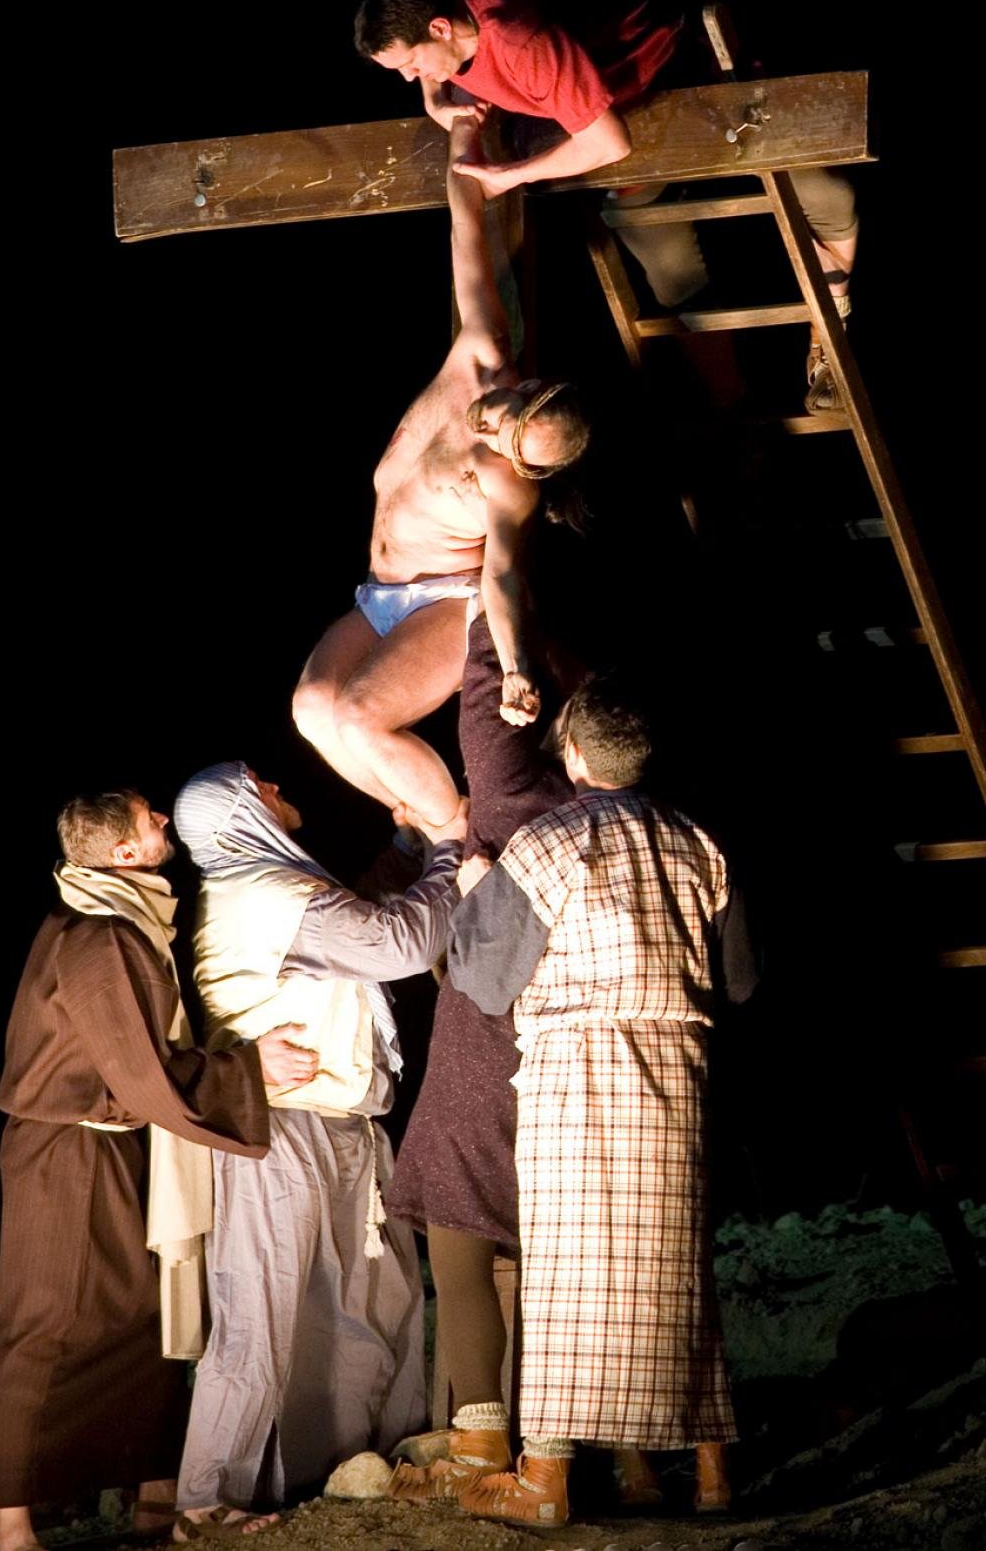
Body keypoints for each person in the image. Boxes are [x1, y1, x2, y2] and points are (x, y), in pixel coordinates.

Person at [435, 678, 757, 1526]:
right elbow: (743, 980)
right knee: (674, 1264)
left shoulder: (548, 843)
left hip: (577, 1068)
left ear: (573, 755)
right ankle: (714, 1471)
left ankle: (543, 1481)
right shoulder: (701, 843)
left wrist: (475, 891)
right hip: (680, 1066)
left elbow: (481, 976)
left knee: (572, 1270)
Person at [0, 790, 310, 1550]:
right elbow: (142, 1072)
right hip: (67, 1153)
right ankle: (12, 1527)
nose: (164, 820)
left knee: (147, 1318)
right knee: (47, 1321)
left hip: (115, 1143)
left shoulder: (124, 919)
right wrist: (251, 1069)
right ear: (125, 854)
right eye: (150, 819)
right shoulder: (101, 936)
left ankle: (160, 1499)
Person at [355, 0, 861, 410]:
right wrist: (434, 98)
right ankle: (734, 404)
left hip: (677, 75)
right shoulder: (443, 1)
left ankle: (829, 321)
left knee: (827, 195)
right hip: (616, 105)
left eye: (411, 66)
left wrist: (508, 175)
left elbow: (607, 144)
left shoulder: (519, 44)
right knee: (665, 261)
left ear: (441, 29)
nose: (410, 76)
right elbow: (422, 25)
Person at [171, 763, 466, 1527]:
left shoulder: (267, 884)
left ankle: (367, 1462)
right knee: (258, 1311)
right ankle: (208, 1497)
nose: (272, 781)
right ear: (240, 807)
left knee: (375, 1298)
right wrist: (449, 851)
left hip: (338, 1123)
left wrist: (407, 845)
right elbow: (398, 939)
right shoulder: (262, 894)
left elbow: (361, 908)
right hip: (287, 1131)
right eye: (255, 781)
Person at [287, 158, 592, 829]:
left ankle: (451, 832)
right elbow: (464, 224)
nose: (493, 434)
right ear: (520, 386)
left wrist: (514, 668)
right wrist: (463, 131)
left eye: (512, 446)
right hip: (380, 591)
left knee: (361, 718)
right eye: (505, 417)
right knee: (312, 710)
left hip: (448, 604)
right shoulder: (479, 351)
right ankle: (423, 818)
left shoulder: (506, 482)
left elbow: (503, 575)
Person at [382, 624, 588, 1502]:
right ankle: (567, 1448)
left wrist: (488, 623)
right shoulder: (618, 817)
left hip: (488, 1047)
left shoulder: (516, 799)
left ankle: (483, 1449)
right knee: (556, 1259)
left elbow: (483, 967)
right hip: (572, 1064)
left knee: (463, 1254)